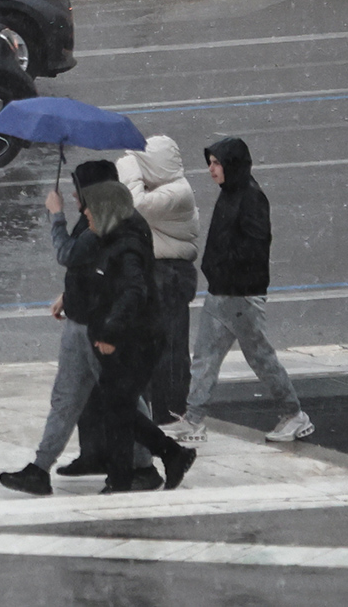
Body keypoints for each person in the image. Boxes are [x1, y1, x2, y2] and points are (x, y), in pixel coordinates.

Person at [0, 161, 162, 497]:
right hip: (83, 323)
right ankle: (40, 468)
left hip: (98, 328)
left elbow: (72, 256)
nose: (75, 198)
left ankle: (147, 465)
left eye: (79, 191)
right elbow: (89, 269)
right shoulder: (99, 219)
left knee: (123, 400)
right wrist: (68, 295)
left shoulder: (110, 224)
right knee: (68, 398)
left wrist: (55, 215)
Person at [164, 138, 313, 444]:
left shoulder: (252, 198)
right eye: (210, 163)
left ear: (232, 165)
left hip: (241, 296)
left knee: (260, 358)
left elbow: (255, 248)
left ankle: (294, 414)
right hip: (221, 293)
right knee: (205, 357)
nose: (211, 169)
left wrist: (223, 267)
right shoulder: (230, 193)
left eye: (217, 163)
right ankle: (194, 420)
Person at [80, 181, 197, 493]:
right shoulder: (114, 238)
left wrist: (110, 332)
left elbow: (134, 292)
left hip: (135, 341)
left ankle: (124, 479)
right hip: (129, 337)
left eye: (91, 208)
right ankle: (168, 455)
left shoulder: (126, 247)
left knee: (117, 408)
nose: (85, 212)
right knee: (116, 407)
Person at [117, 136, 200, 425]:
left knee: (170, 348)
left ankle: (172, 410)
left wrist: (129, 170)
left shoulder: (178, 192)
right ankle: (156, 408)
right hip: (157, 272)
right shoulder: (162, 189)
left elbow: (136, 206)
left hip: (170, 275)